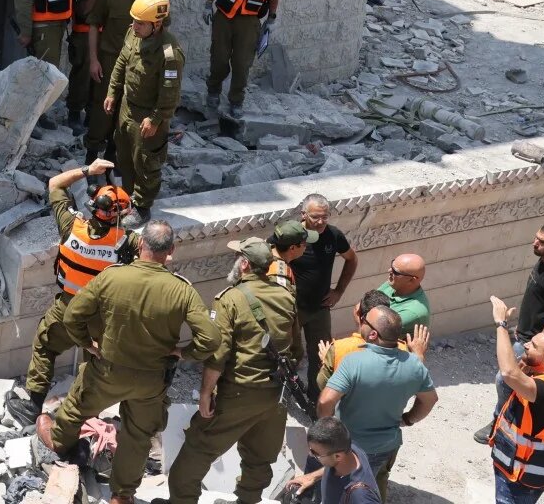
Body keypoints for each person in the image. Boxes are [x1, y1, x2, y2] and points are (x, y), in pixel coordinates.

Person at [37, 219, 216, 504]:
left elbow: (72, 316)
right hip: (152, 380)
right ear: (170, 251)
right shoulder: (182, 290)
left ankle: (59, 441)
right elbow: (210, 339)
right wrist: (183, 353)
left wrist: (87, 344)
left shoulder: (112, 277)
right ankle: (122, 495)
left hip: (108, 370)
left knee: (76, 408)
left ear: (141, 244)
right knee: (138, 435)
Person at [167, 236, 301, 504]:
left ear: (244, 266)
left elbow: (217, 353)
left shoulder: (230, 298)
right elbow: (297, 350)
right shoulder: (286, 297)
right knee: (258, 457)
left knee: (198, 448)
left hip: (240, 393)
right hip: (276, 395)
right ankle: (247, 500)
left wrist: (206, 393)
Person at [12, 158, 137, 424]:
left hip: (68, 307)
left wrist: (88, 171)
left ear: (93, 208)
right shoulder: (127, 242)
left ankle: (33, 405)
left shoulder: (71, 227)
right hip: (104, 315)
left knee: (46, 346)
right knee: (98, 360)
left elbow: (55, 184)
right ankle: (85, 413)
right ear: (121, 215)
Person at [319, 305, 438, 499]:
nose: (361, 320)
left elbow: (325, 401)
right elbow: (430, 400)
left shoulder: (353, 362)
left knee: (343, 493)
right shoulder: (415, 364)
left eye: (365, 319)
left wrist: (328, 435)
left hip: (351, 449)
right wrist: (407, 419)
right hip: (387, 448)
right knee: (369, 486)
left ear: (373, 334)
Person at [476, 224, 544, 446]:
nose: (536, 243)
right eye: (536, 238)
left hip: (534, 343)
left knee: (505, 379)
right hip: (527, 336)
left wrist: (534, 350)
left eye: (543, 242)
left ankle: (498, 423)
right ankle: (505, 420)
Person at [102, 0, 183, 216]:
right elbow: (121, 61)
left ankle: (142, 206)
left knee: (146, 163)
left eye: (140, 24)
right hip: (127, 108)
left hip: (148, 116)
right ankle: (128, 197)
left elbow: (170, 93)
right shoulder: (133, 34)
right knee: (125, 157)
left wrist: (156, 119)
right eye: (134, 22)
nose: (134, 27)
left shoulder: (169, 54)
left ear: (156, 25)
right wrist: (112, 92)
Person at [488, 296, 544, 504]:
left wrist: (501, 324)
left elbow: (508, 372)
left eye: (533, 346)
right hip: (522, 472)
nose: (526, 345)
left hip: (519, 479)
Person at [84, 0, 161, 164]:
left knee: (128, 112)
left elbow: (163, 31)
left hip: (140, 64)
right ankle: (91, 157)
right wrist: (93, 60)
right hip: (109, 61)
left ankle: (113, 157)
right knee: (103, 109)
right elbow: (93, 25)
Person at [202, 0, 279, 122]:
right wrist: (208, 4)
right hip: (224, 18)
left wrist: (271, 19)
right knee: (219, 58)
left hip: (249, 22)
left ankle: (236, 101)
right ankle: (213, 90)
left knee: (242, 64)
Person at [293, 193, 359, 388]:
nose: (321, 222)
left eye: (325, 216)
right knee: (288, 355)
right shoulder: (291, 235)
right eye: (315, 217)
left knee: (321, 356)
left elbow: (352, 259)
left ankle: (316, 398)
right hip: (292, 309)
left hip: (320, 309)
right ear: (303, 214)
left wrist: (338, 291)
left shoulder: (333, 235)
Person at [318, 290, 430, 389]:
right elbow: (416, 385)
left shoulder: (339, 348)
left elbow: (323, 385)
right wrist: (418, 357)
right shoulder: (403, 350)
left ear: (359, 314)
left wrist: (326, 361)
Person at [67, 0, 119, 133]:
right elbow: (82, 11)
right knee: (82, 74)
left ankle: (91, 114)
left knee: (101, 75)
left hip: (103, 34)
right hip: (83, 33)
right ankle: (74, 113)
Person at [286, 417, 385, 504]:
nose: (311, 454)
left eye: (316, 453)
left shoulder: (361, 497)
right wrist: (312, 477)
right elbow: (333, 465)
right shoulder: (348, 448)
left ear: (337, 456)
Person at [377, 254, 430, 330]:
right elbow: (362, 306)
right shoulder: (393, 283)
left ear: (412, 280)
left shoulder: (412, 312)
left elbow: (372, 333)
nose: (389, 270)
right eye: (392, 265)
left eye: (396, 272)